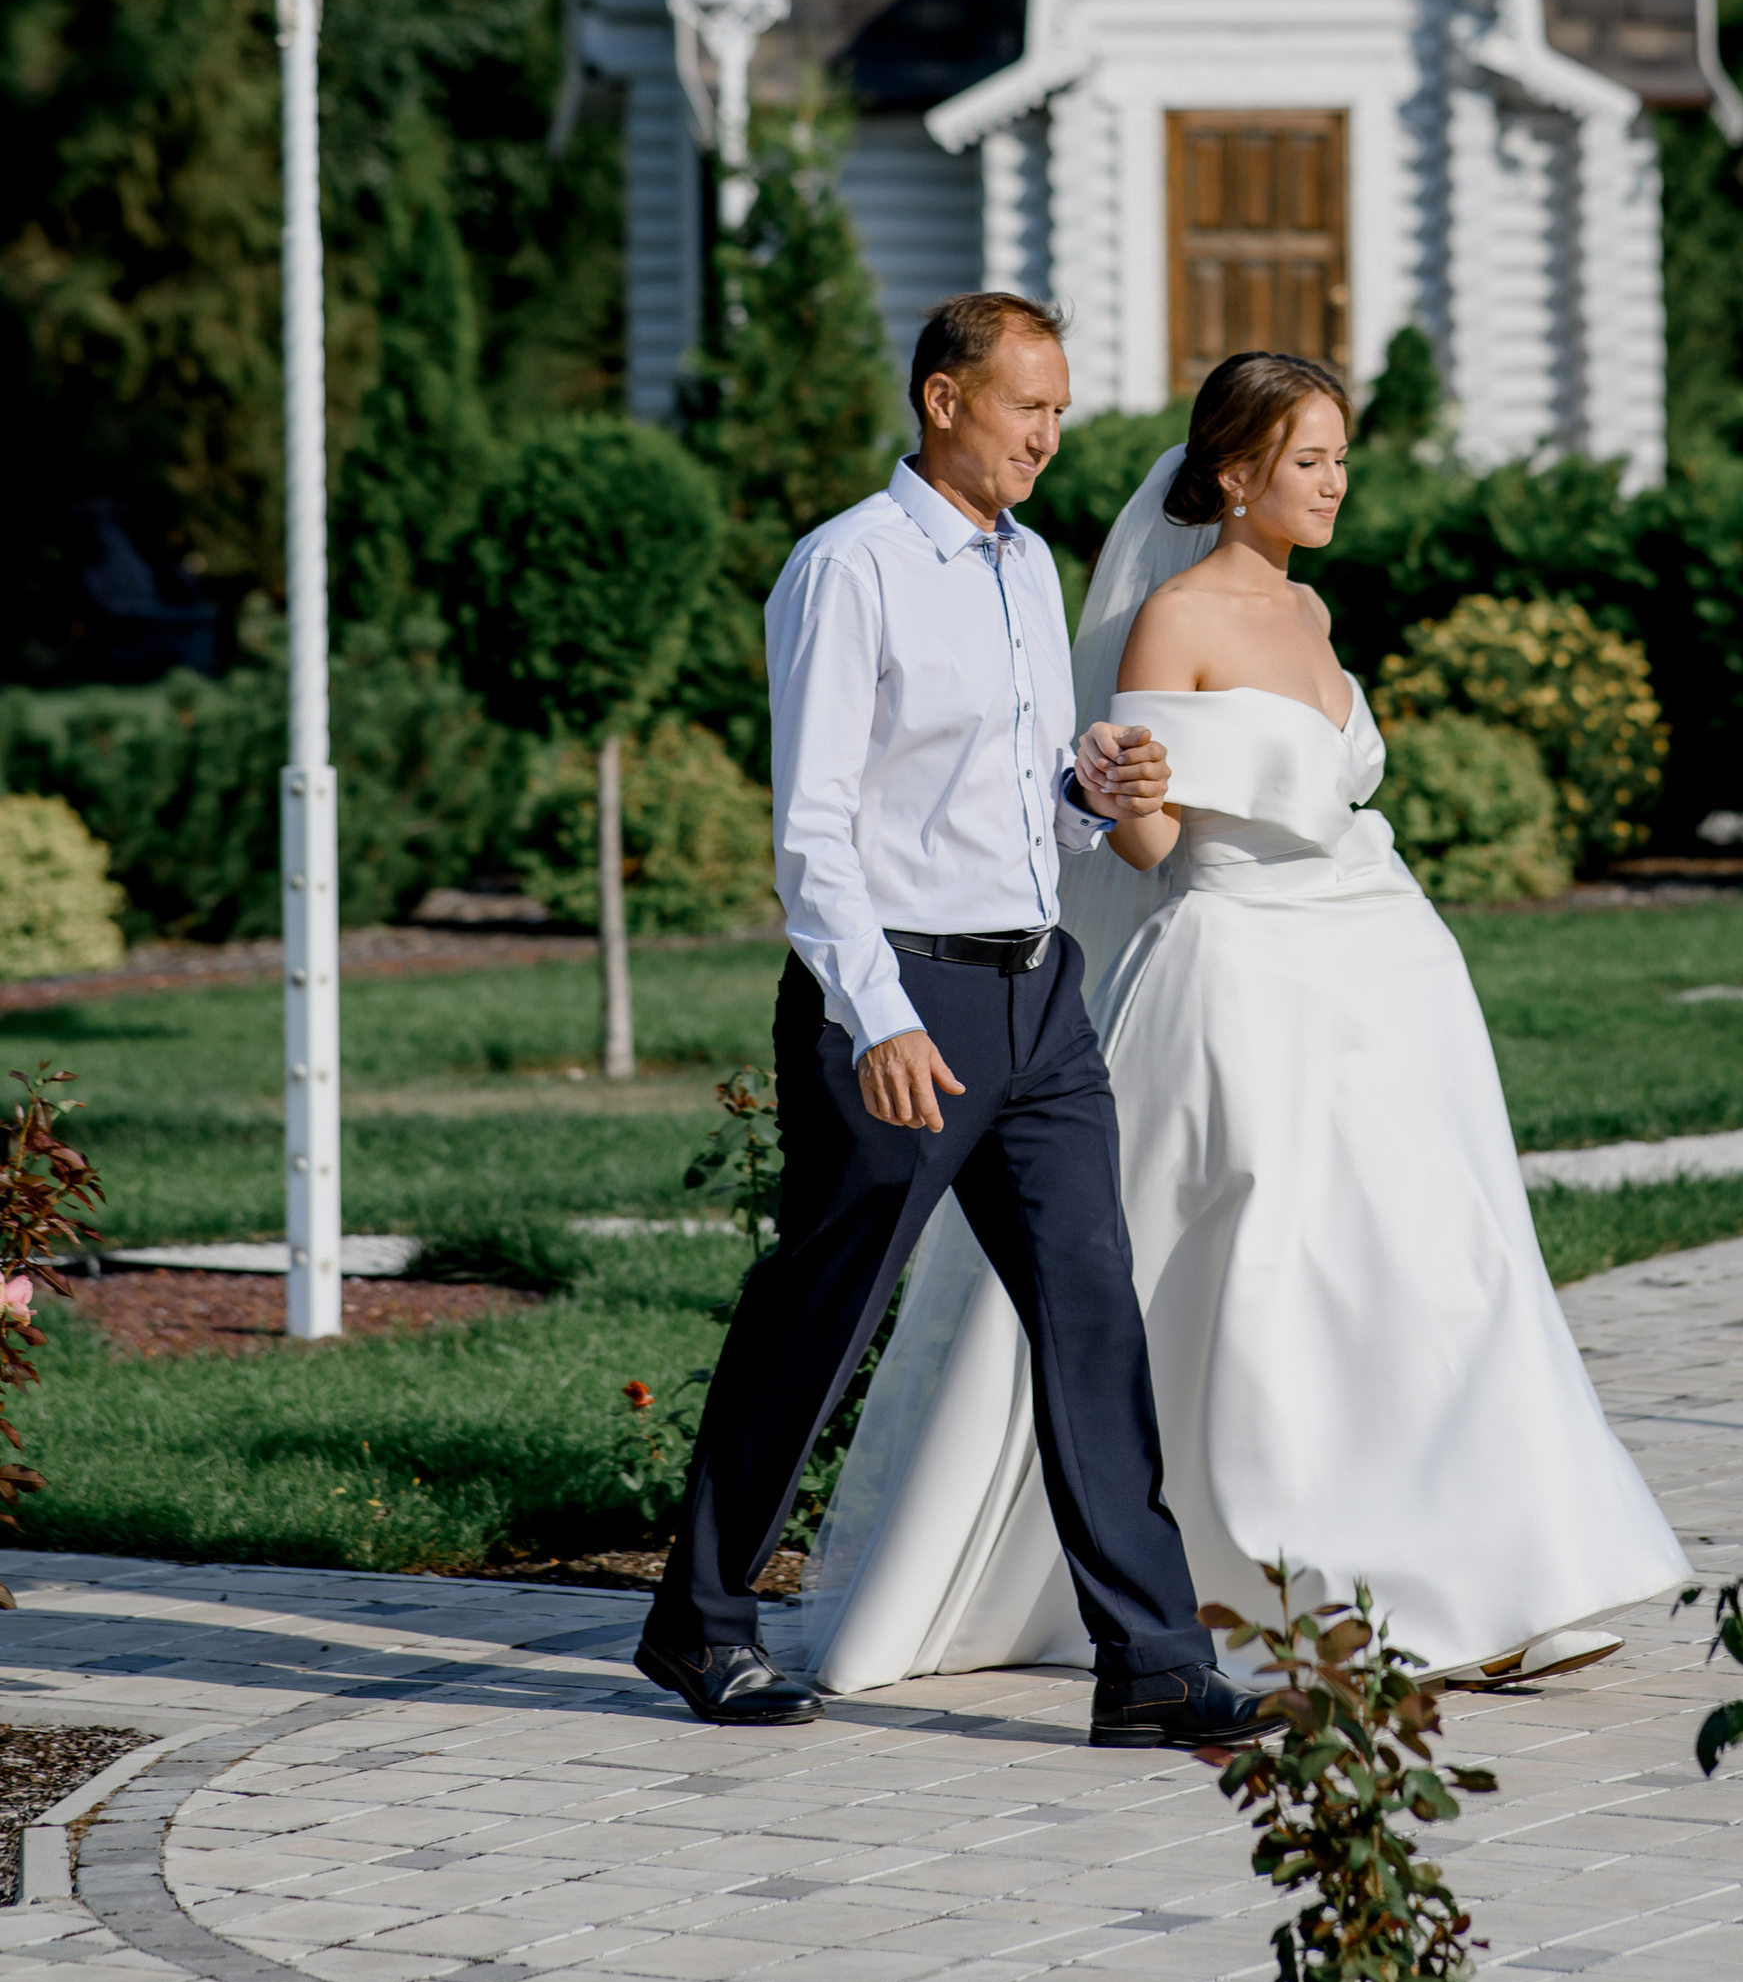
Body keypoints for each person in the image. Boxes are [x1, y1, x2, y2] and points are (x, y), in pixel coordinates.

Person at [787, 348, 1687, 1695]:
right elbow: (1143, 840)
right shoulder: (1174, 620)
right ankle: (1302, 1596)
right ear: (1234, 472)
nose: (1333, 484)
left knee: (1451, 1264)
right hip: (1247, 977)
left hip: (1384, 973)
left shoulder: (1315, 614)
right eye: (1309, 460)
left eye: (1339, 460)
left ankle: (1505, 1575)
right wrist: (1119, 784)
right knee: (1284, 1277)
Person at [636, 289, 1269, 1749]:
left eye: (1058, 409)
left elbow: (1017, 799)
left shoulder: (1027, 566)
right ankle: (702, 1622)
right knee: (822, 1311)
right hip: (900, 1004)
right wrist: (877, 1018)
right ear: (942, 402)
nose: (1051, 436)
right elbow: (817, 833)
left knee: (1093, 1314)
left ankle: (1155, 1660)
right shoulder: (846, 569)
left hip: (1037, 998)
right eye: (1025, 407)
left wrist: (1086, 791)